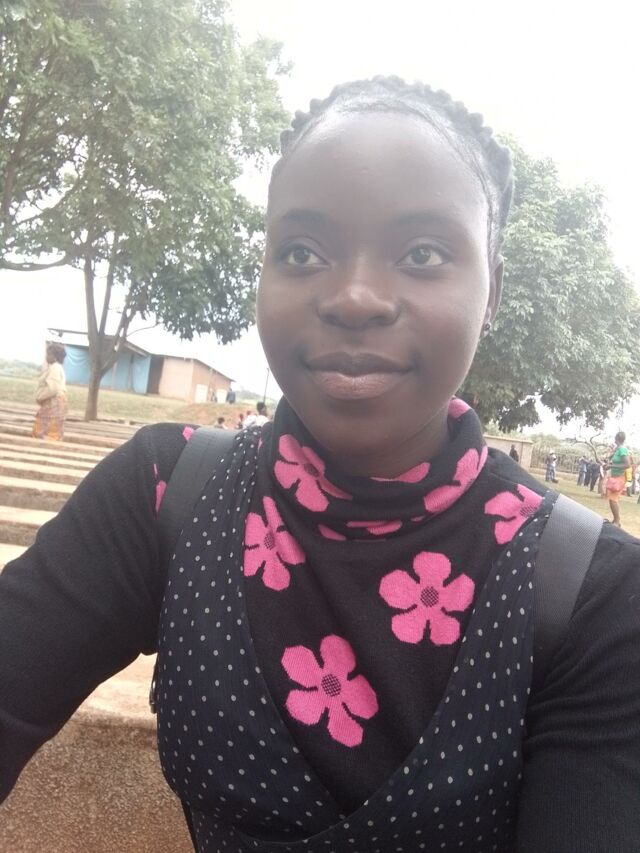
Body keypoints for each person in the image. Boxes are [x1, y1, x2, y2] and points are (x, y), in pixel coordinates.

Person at [1, 77, 639, 852]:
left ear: (492, 291)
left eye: (423, 253)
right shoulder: (166, 495)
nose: (355, 297)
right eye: (302, 251)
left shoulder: (594, 595)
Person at [32, 342, 67, 441]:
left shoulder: (55, 368)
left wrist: (40, 397)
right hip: (55, 401)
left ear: (55, 357)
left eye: (49, 354)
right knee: (50, 426)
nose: (46, 356)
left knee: (45, 428)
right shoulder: (56, 367)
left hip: (53, 401)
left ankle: (45, 445)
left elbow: (53, 388)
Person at [605, 431, 630, 527]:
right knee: (612, 499)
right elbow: (615, 461)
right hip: (615, 477)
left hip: (620, 477)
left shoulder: (622, 450)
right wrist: (609, 465)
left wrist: (611, 466)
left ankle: (617, 521)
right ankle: (615, 520)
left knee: (613, 499)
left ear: (616, 439)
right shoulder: (618, 449)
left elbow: (627, 464)